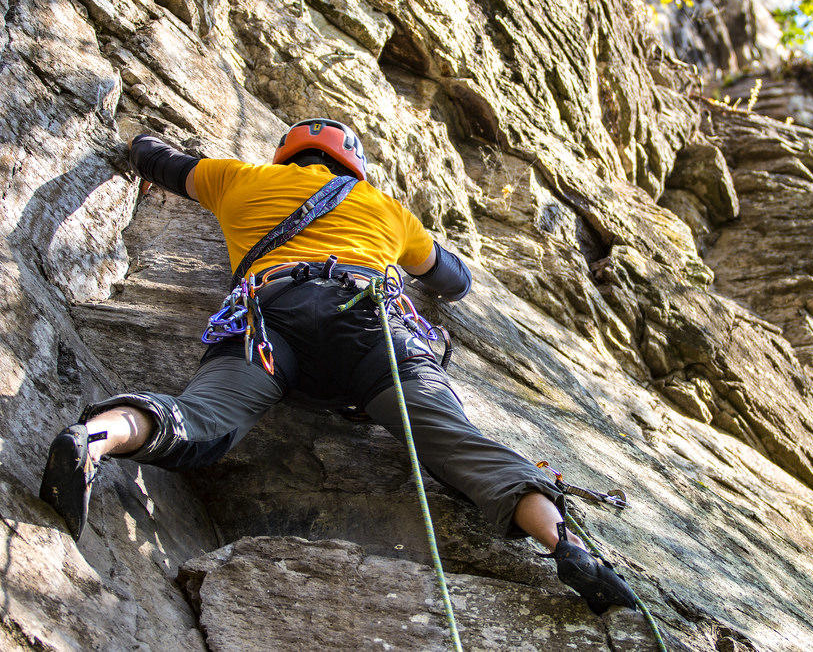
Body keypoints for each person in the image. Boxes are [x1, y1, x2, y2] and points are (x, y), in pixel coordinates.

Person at [39, 118, 636, 614]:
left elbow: (156, 158)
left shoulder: (239, 179)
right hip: (371, 327)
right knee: (454, 444)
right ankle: (563, 543)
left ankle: (95, 438)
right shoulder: (385, 208)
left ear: (289, 154)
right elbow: (454, 282)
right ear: (351, 165)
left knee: (202, 419)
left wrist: (141, 150)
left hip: (269, 321)